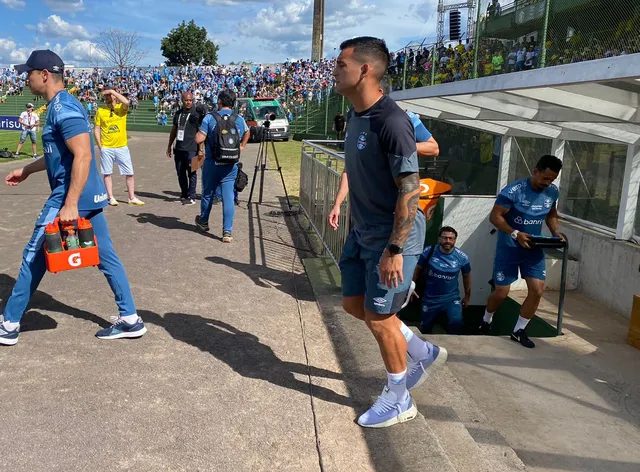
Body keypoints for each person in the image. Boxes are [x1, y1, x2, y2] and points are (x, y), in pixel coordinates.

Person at [332, 36, 446, 429]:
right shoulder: (355, 116)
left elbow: (410, 189)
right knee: (353, 305)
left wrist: (395, 249)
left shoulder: (393, 121)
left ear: (365, 69)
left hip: (393, 236)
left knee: (380, 319)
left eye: (341, 64)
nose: (334, 70)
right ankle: (419, 349)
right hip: (362, 231)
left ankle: (399, 399)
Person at [0, 49, 147, 345]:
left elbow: (83, 155)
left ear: (44, 75)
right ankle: (130, 318)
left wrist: (69, 204)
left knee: (33, 256)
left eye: (28, 73)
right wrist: (27, 169)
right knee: (105, 257)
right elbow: (61, 154)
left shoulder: (63, 107)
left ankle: (9, 324)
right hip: (85, 198)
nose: (25, 79)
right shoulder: (58, 106)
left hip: (70, 198)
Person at [480, 154, 563, 348]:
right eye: (545, 178)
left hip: (533, 248)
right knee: (501, 293)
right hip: (509, 247)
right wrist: (515, 233)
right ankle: (486, 320)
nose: (547, 183)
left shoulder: (552, 192)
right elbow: (495, 217)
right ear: (535, 171)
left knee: (537, 290)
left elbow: (551, 214)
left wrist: (555, 232)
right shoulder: (513, 190)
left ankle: (518, 331)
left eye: (552, 180)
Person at [194, 89, 249, 243]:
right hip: (231, 164)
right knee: (228, 197)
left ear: (219, 101)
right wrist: (242, 146)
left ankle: (203, 221)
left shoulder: (210, 117)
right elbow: (247, 132)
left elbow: (199, 139)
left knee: (208, 193)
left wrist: (196, 133)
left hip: (212, 163)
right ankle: (227, 231)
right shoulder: (238, 118)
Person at [412, 226, 471, 334]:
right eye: (444, 238)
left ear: (455, 240)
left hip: (451, 299)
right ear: (439, 239)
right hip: (430, 299)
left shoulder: (462, 257)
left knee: (456, 324)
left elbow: (467, 276)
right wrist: (412, 286)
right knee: (425, 329)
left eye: (451, 238)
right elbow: (417, 269)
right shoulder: (429, 251)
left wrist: (467, 296)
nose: (447, 241)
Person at [93, 86, 144, 206]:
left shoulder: (121, 108)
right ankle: (110, 197)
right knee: (107, 173)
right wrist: (101, 146)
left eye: (110, 95)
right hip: (107, 147)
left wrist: (112, 91)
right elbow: (96, 129)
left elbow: (127, 101)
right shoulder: (100, 111)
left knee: (129, 172)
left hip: (122, 146)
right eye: (106, 95)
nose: (108, 97)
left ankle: (131, 197)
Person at [166, 91, 206, 205]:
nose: (188, 102)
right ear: (182, 101)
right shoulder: (178, 114)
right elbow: (174, 130)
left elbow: (201, 132)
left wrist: (201, 149)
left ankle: (192, 196)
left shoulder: (196, 114)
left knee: (192, 173)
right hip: (179, 148)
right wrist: (169, 145)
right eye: (186, 100)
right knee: (180, 173)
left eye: (190, 100)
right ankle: (184, 194)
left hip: (192, 149)